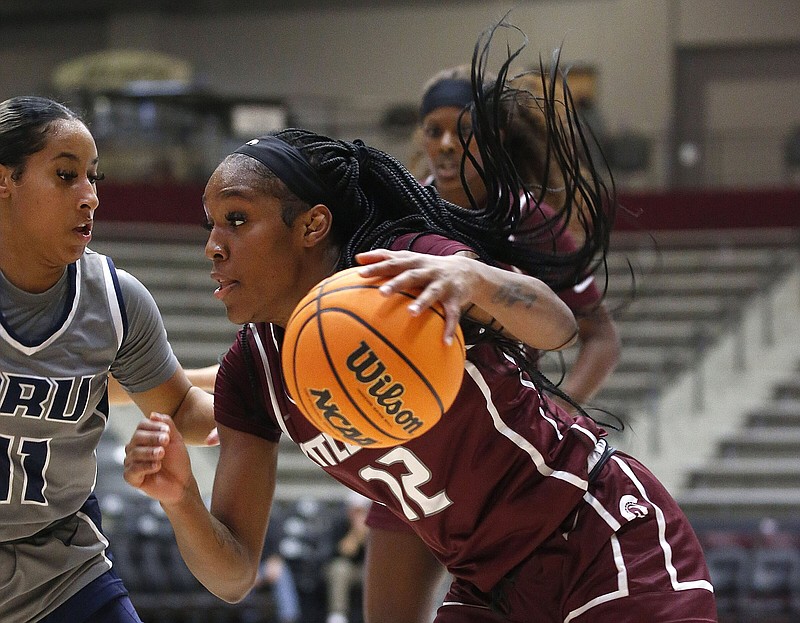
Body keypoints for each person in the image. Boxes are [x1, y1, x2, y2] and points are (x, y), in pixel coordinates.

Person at [123, 20, 717, 623]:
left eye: (237, 220)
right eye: (210, 226)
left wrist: (475, 279)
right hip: (489, 581)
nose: (213, 246)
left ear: (311, 226)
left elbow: (561, 326)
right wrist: (181, 501)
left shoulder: (399, 263)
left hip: (597, 534)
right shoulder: (253, 369)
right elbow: (232, 575)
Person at [364, 53, 623, 623]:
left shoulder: (529, 219)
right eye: (434, 130)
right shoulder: (389, 210)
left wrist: (558, 410)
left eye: (466, 131)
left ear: (496, 137)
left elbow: (600, 338)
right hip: (411, 447)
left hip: (502, 460)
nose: (448, 144)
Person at [0, 95, 216, 623]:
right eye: (66, 175)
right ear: (5, 179)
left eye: (93, 178)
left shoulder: (116, 300)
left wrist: (291, 399)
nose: (90, 197)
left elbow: (183, 411)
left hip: (62, 571)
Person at [324, 492, 370, 623]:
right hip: (347, 569)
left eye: (362, 511)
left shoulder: (375, 527)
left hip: (368, 570)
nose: (358, 515)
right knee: (340, 569)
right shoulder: (339, 523)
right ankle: (338, 615)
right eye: (355, 511)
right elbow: (342, 552)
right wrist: (355, 534)